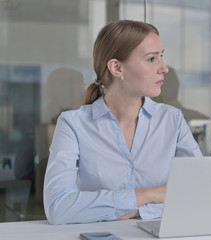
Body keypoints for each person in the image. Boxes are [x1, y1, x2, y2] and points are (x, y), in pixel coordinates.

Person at [43, 20, 202, 224]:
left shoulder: (172, 119)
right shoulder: (73, 124)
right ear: (117, 68)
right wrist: (150, 195)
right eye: (152, 59)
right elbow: (59, 207)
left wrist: (136, 212)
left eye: (161, 56)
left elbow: (200, 191)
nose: (164, 68)